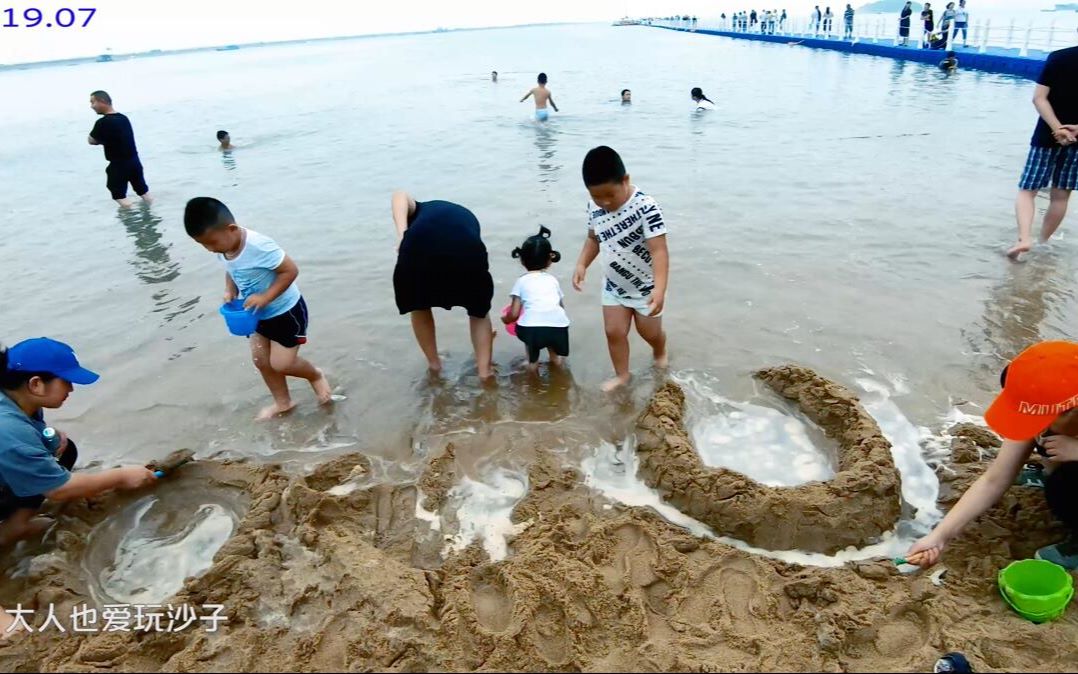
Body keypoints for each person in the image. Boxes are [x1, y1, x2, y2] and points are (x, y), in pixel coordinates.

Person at [906, 341, 1078, 570]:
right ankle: (1050, 470)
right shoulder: (1042, 401)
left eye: (1037, 420)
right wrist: (939, 536)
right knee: (1053, 450)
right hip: (1066, 443)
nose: (1032, 426)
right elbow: (994, 480)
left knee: (1065, 483)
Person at [184, 197, 332, 418]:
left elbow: (290, 271)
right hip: (256, 315)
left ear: (231, 229)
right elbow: (231, 268)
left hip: (286, 312)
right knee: (261, 360)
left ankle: (316, 376)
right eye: (203, 244)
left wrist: (266, 296)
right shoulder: (224, 249)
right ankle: (283, 402)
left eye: (211, 242)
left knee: (282, 363)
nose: (209, 249)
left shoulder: (259, 246)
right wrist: (230, 289)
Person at [0, 338, 157, 548]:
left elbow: (31, 438)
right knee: (49, 470)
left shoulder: (18, 400)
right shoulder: (9, 428)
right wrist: (120, 477)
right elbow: (58, 490)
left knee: (61, 447)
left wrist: (46, 434)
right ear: (36, 384)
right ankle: (12, 528)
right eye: (66, 381)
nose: (71, 389)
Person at [572, 146, 669, 392]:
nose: (604, 202)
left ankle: (660, 350)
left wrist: (659, 289)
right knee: (613, 332)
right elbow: (593, 239)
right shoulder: (594, 209)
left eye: (610, 195)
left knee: (649, 332)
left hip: (645, 287)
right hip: (614, 285)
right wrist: (582, 263)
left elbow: (659, 250)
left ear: (625, 180)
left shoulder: (645, 207)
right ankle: (623, 375)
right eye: (596, 196)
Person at [391, 191, 495, 380]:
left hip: (416, 247)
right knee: (478, 311)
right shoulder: (456, 213)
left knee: (419, 306)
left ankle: (434, 364)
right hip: (465, 247)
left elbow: (398, 194)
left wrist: (402, 234)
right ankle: (484, 372)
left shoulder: (419, 209)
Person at [1008, 38, 1078, 260]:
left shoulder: (1059, 58)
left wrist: (1057, 128)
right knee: (1060, 196)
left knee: (1028, 190)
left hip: (1046, 136)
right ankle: (1042, 244)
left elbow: (1039, 98)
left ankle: (1024, 239)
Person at [502, 226, 571, 372]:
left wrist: (505, 319)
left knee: (532, 358)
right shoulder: (553, 280)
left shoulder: (521, 281)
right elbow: (561, 308)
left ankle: (532, 369)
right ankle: (556, 366)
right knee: (556, 358)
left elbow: (514, 314)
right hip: (559, 327)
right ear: (549, 260)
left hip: (532, 330)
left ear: (522, 260)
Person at [87, 90, 151, 208]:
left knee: (119, 196)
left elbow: (91, 140)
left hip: (119, 165)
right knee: (143, 191)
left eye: (93, 102)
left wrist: (102, 140)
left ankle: (132, 220)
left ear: (102, 101)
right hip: (134, 161)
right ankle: (150, 213)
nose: (91, 106)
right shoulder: (124, 118)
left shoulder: (103, 122)